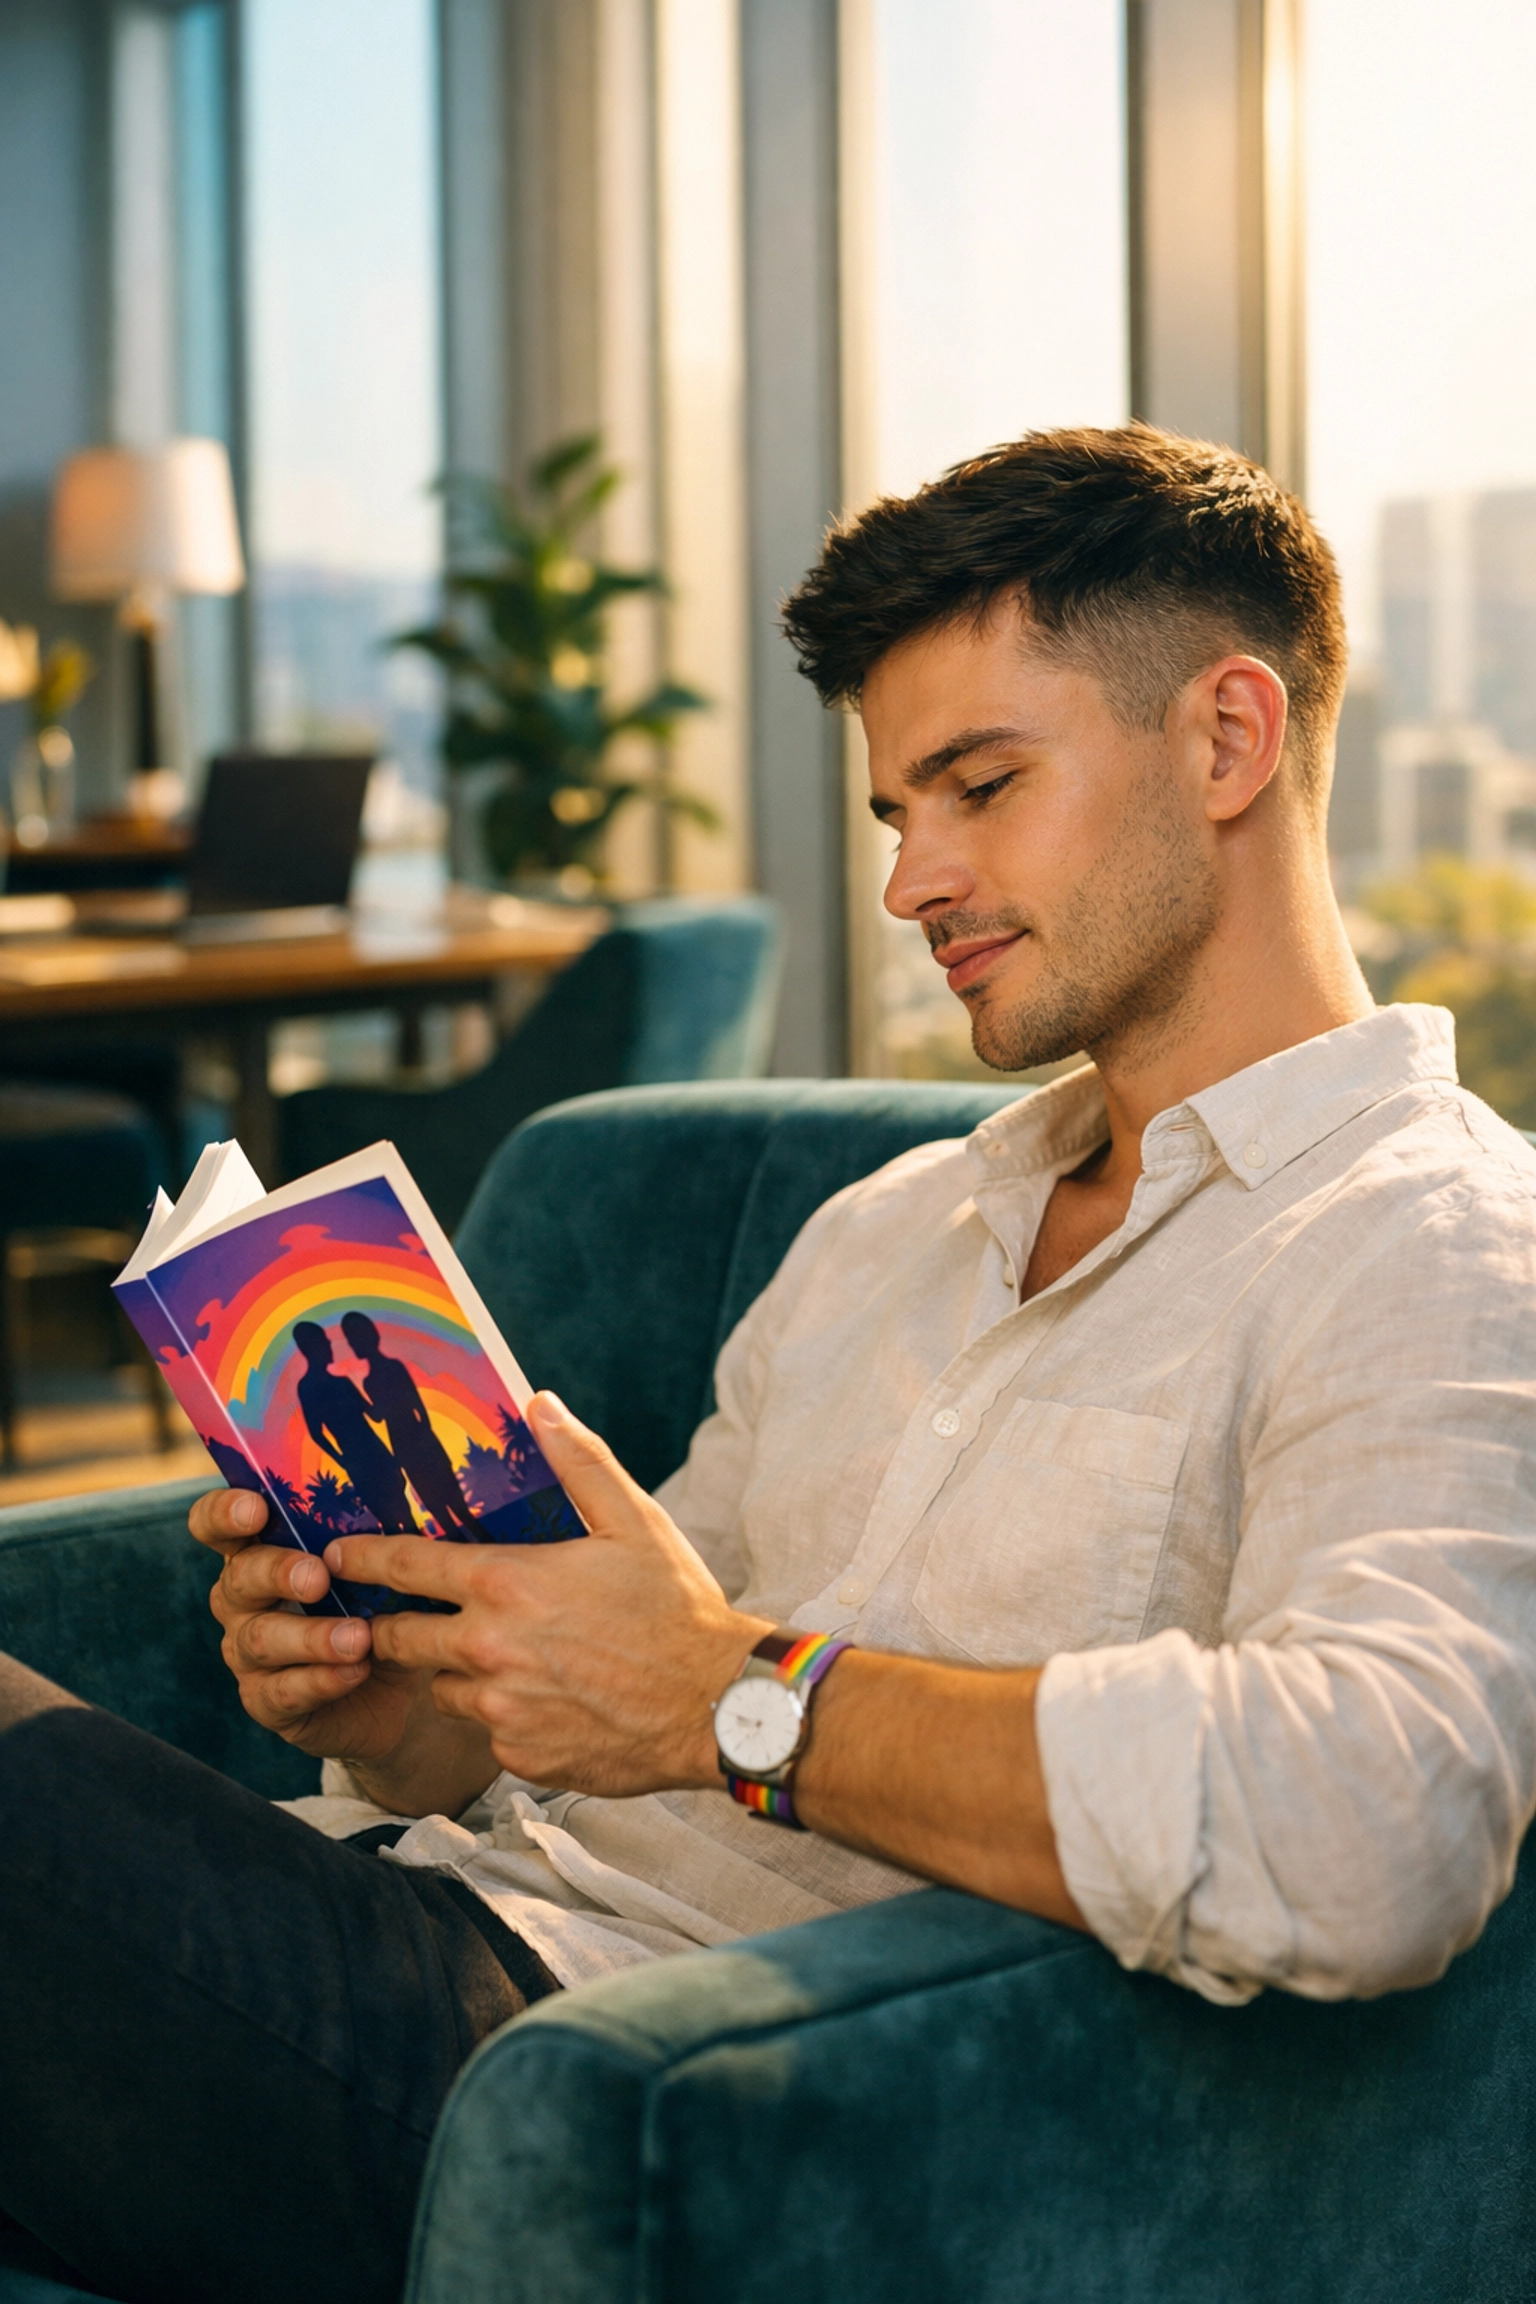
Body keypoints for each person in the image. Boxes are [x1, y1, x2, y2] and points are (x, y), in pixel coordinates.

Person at [4, 424, 1536, 2304]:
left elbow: (1377, 1819)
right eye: (901, 813)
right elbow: (622, 1722)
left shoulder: (1431, 1243)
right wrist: (403, 1712)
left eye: (980, 784)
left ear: (1229, 737)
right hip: (414, 1921)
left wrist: (744, 1691)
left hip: (619, 2087)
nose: (915, 881)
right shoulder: (887, 1226)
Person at [340, 1310, 479, 1536]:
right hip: (412, 1443)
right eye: (351, 1338)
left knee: (455, 1510)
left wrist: (359, 1403)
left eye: (356, 1337)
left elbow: (406, 1408)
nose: (354, 1343)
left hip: (414, 1442)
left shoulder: (382, 1374)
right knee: (445, 1511)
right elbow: (407, 1410)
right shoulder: (378, 1375)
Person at [292, 1318, 419, 1535]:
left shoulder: (341, 1382)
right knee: (388, 1517)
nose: (330, 1345)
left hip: (371, 1454)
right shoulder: (310, 1387)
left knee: (400, 1509)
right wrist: (343, 1460)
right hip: (360, 1459)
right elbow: (316, 1433)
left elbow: (374, 1414)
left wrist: (389, 1394)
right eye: (324, 1342)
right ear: (310, 1348)